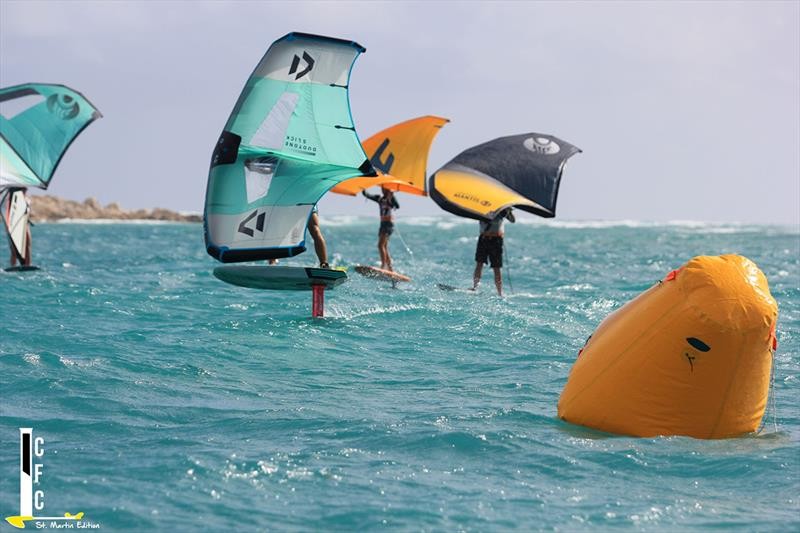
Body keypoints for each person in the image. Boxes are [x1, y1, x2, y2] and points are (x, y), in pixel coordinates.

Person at [473, 207, 515, 296]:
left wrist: (509, 211)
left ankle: (500, 292)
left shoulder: (502, 210)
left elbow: (512, 220)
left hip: (496, 240)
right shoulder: (482, 208)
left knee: (497, 267)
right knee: (479, 263)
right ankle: (475, 287)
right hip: (484, 238)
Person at [362, 187, 399, 271]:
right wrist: (364, 186)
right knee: (384, 246)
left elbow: (397, 206)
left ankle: (383, 265)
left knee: (380, 245)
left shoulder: (391, 199)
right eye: (382, 188)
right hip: (382, 224)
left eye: (385, 189)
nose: (383, 190)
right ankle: (390, 268)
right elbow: (366, 195)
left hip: (389, 224)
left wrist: (391, 197)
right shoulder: (379, 199)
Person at [6, 188, 32, 268]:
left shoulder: (27, 199)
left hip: (25, 224)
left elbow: (28, 213)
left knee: (28, 245)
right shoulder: (13, 200)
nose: (26, 190)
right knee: (14, 249)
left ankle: (27, 265)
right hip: (14, 224)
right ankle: (13, 265)